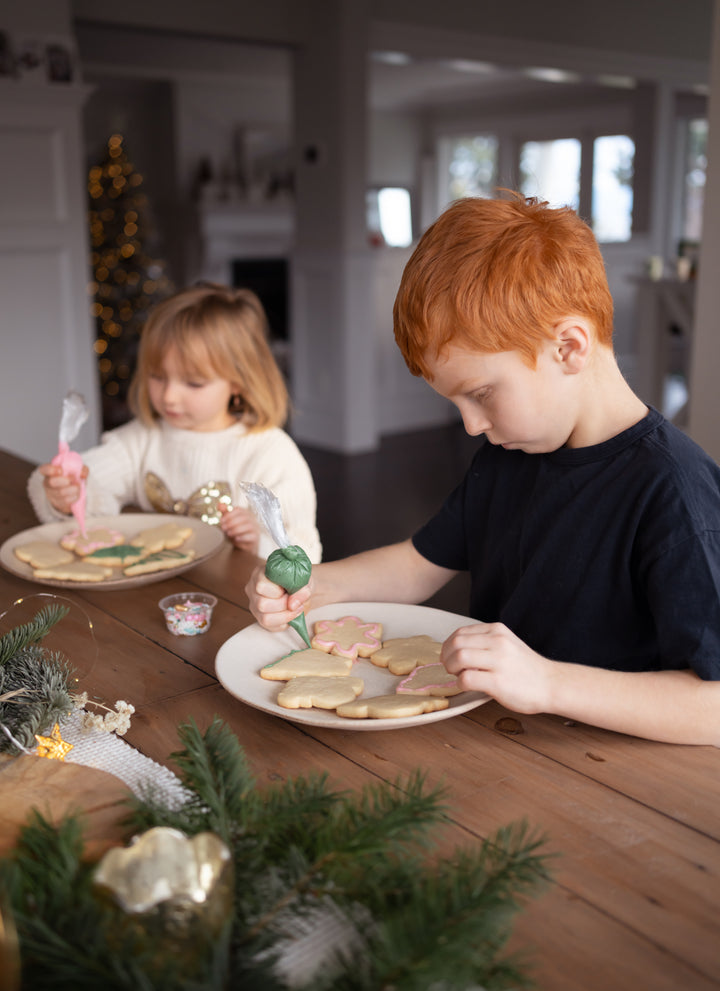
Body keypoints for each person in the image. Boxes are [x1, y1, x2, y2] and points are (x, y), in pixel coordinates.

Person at [245, 192, 720, 746]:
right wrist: (314, 588)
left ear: (569, 347)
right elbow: (416, 564)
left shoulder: (675, 496)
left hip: (609, 777)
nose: (470, 426)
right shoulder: (507, 457)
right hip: (495, 744)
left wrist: (545, 683)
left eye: (482, 394)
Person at [28, 283, 322, 562]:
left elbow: (304, 552)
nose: (169, 396)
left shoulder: (270, 453)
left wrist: (257, 542)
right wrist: (65, 495)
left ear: (239, 382)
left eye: (193, 383)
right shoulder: (143, 438)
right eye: (157, 376)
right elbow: (90, 482)